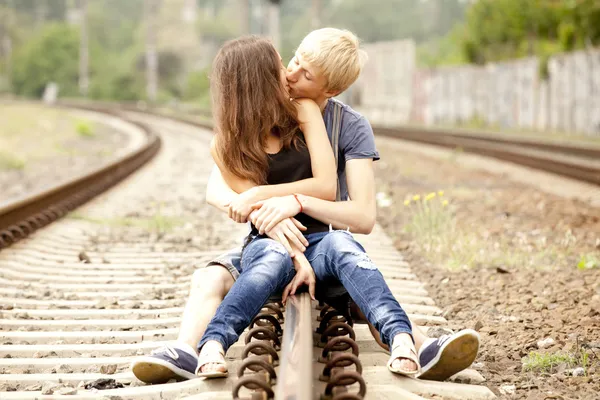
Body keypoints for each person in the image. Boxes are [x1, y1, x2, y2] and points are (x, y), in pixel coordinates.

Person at [131, 28, 479, 384]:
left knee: (352, 262)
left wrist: (290, 202)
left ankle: (417, 345)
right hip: (271, 239)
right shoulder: (258, 116)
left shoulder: (342, 124)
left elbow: (360, 215)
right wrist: (265, 215)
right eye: (292, 60)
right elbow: (219, 187)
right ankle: (190, 349)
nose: (290, 75)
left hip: (319, 239)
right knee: (211, 275)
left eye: (305, 74)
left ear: (330, 90)